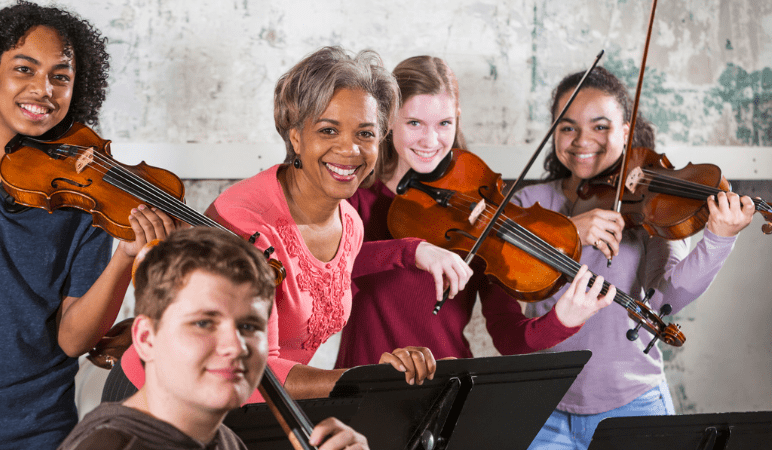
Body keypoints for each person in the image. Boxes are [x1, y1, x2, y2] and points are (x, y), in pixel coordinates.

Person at [114, 47, 470, 404]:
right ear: (296, 136)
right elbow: (251, 365)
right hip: (161, 399)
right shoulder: (244, 220)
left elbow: (320, 273)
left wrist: (409, 252)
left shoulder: (349, 221)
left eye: (365, 134)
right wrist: (369, 380)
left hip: (250, 406)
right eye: (329, 130)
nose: (350, 150)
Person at [515, 66, 755, 450]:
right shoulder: (529, 203)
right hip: (541, 408)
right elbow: (502, 262)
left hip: (634, 405)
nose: (582, 141)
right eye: (567, 127)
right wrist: (570, 231)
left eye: (600, 126)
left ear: (626, 131)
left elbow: (665, 298)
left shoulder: (648, 208)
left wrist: (718, 238)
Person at [0, 3, 176, 449]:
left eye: (60, 76)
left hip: (41, 428)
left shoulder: (88, 194)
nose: (42, 90)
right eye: (24, 68)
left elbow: (71, 340)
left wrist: (125, 257)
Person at [335, 55, 615, 370]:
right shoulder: (354, 197)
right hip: (365, 387)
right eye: (414, 123)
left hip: (445, 389)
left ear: (457, 119)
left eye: (444, 124)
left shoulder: (481, 208)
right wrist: (414, 250)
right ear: (388, 120)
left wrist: (563, 319)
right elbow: (329, 265)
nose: (430, 140)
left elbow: (508, 337)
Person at [58, 227, 368, 450]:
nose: (235, 346)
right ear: (146, 338)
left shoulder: (223, 440)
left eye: (249, 326)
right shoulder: (111, 445)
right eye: (204, 323)